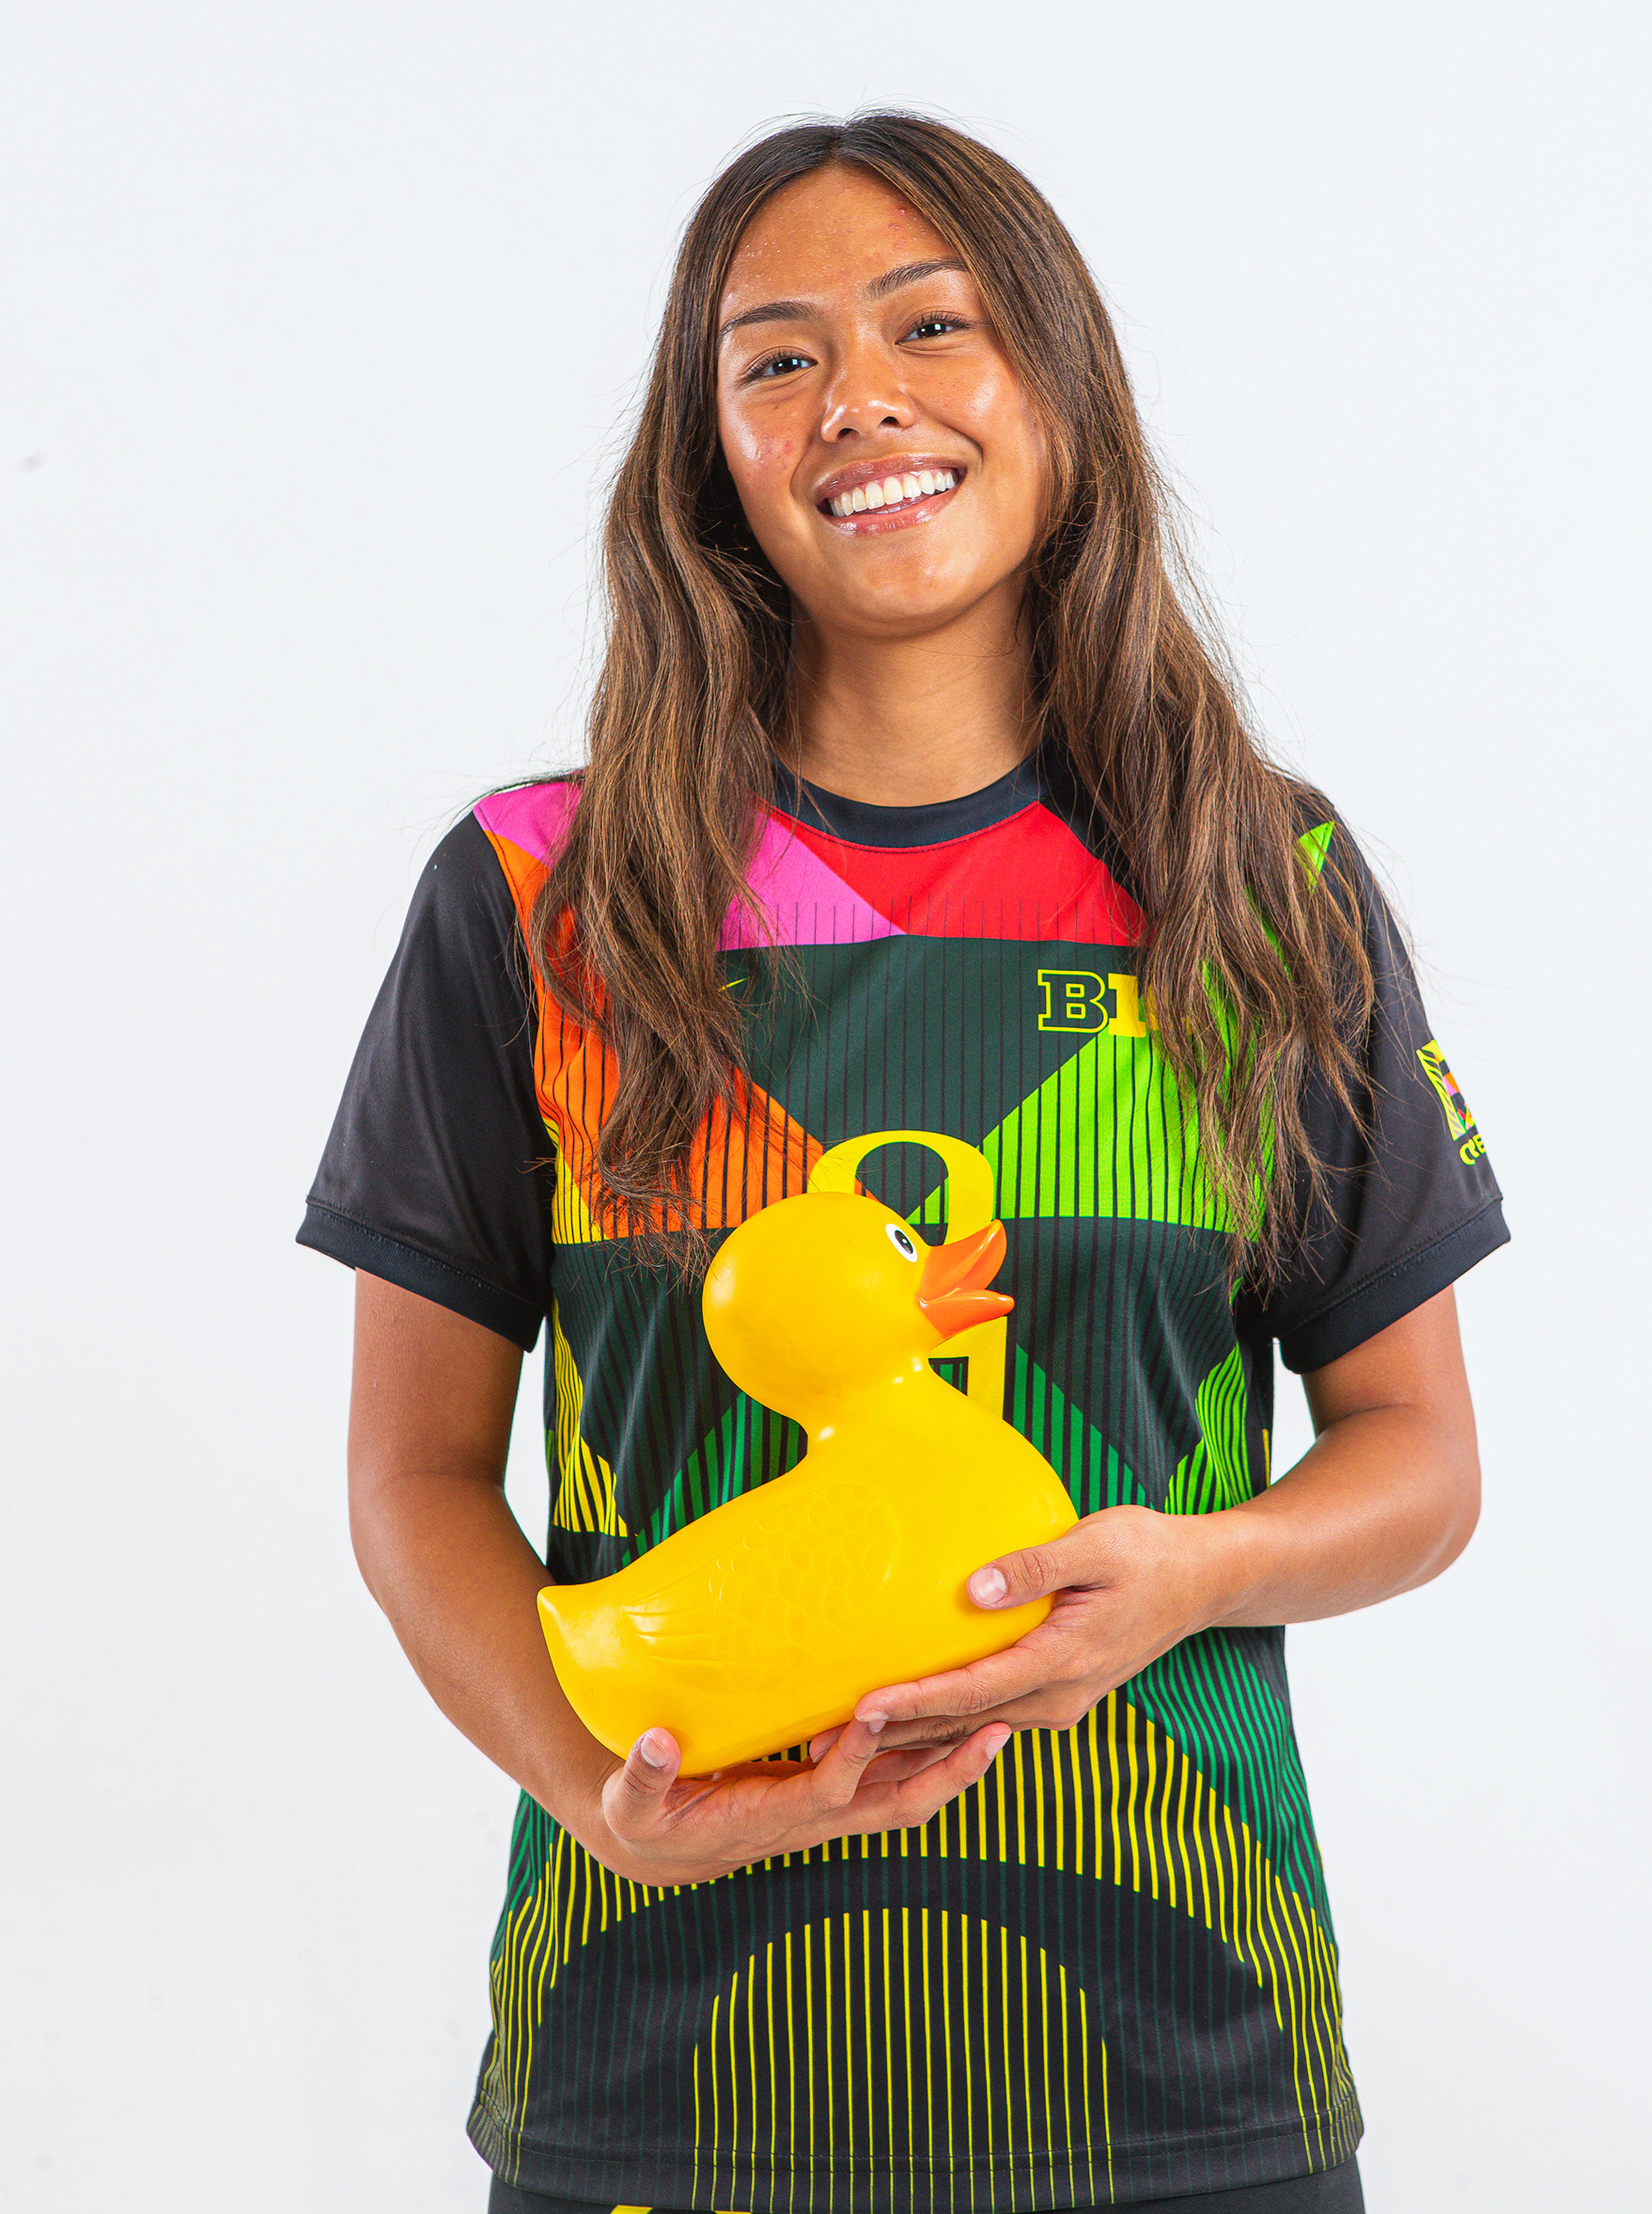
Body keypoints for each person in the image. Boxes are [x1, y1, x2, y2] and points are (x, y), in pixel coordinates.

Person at [299, 113, 1507, 2214]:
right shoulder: (535, 896)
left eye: (930, 325)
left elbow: (1419, 1459)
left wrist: (1194, 1574)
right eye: (776, 359)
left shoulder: (1261, 881)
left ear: (1057, 383)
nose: (857, 395)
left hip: (1182, 2072)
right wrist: (598, 1794)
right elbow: (412, 1473)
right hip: (656, 2068)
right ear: (712, 461)